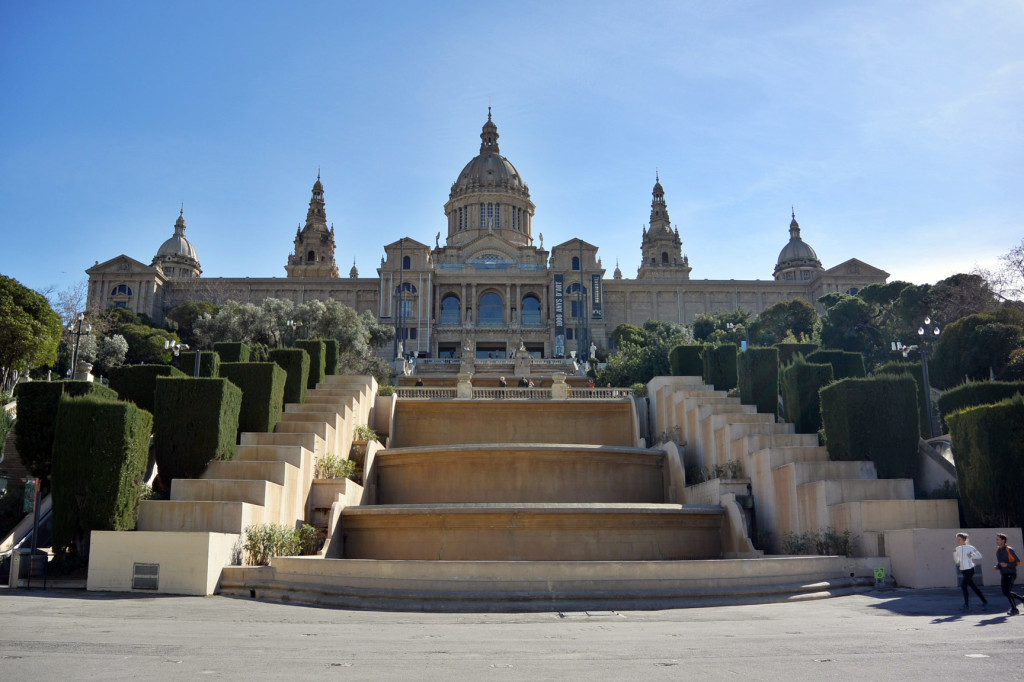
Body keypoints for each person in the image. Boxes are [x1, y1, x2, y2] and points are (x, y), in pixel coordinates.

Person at [954, 532, 988, 611]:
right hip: (963, 570)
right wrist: (955, 554)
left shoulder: (970, 547)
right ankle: (984, 601)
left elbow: (979, 555)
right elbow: (956, 560)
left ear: (964, 540)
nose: (958, 541)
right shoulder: (958, 548)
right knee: (973, 587)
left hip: (970, 569)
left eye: (960, 539)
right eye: (958, 539)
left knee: (963, 586)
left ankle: (966, 605)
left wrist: (972, 555)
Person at [993, 532, 1023, 615]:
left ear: (1003, 540)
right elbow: (1001, 562)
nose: (997, 541)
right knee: (1005, 592)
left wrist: (1007, 565)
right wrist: (997, 566)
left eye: (998, 539)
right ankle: (1022, 599)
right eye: (997, 539)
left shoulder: (1009, 549)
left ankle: (1014, 609)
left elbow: (1019, 562)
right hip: (1004, 574)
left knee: (1007, 591)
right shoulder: (998, 550)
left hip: (1011, 573)